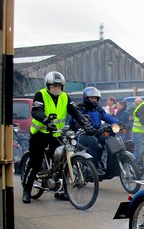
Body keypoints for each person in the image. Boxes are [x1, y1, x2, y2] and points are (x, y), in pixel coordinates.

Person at [22, 71, 94, 204]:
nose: (56, 88)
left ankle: (61, 191)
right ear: (48, 86)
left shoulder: (65, 97)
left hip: (55, 134)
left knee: (60, 161)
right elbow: (36, 110)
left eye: (59, 86)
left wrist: (85, 123)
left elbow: (75, 111)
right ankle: (27, 190)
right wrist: (45, 120)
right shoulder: (41, 94)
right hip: (40, 133)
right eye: (53, 85)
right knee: (35, 162)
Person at [74, 87, 119, 175]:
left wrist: (119, 123)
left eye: (95, 98)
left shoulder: (98, 108)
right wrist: (84, 125)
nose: (94, 100)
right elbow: (76, 119)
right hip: (82, 134)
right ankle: (94, 167)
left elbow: (106, 117)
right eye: (91, 98)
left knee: (110, 137)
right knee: (93, 141)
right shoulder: (81, 108)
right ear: (86, 98)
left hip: (96, 132)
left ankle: (112, 162)